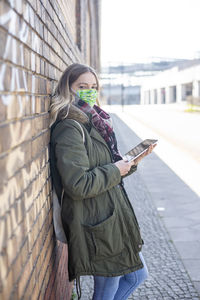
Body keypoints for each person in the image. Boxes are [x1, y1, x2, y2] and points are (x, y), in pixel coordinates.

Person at [50, 63, 156, 300]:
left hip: (110, 215)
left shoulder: (93, 121)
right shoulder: (70, 126)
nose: (89, 91)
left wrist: (132, 161)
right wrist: (116, 170)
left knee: (136, 276)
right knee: (117, 285)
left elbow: (106, 168)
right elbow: (78, 184)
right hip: (96, 221)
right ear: (68, 87)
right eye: (82, 86)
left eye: (93, 86)